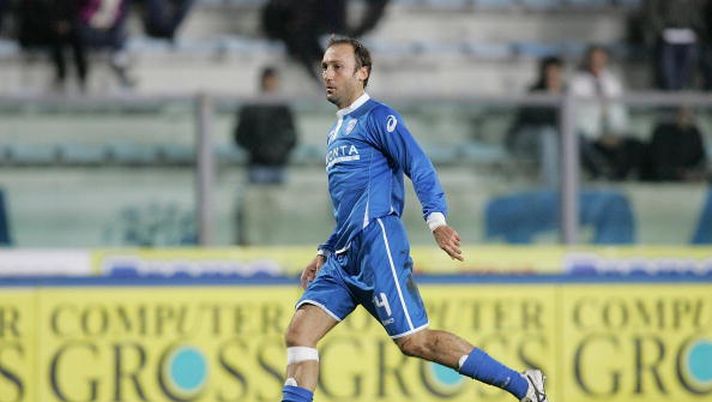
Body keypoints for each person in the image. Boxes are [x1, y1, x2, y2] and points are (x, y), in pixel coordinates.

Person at [279, 36, 548, 402]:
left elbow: (418, 166)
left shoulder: (379, 118)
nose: (327, 74)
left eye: (337, 67)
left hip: (378, 245)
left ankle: (523, 385)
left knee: (414, 341)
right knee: (299, 334)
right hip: (343, 254)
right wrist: (324, 251)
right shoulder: (336, 131)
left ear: (362, 73)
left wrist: (436, 221)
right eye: (325, 66)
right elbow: (350, 203)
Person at [569, 45, 643, 180]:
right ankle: (599, 174)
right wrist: (598, 132)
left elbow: (620, 110)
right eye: (594, 59)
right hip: (588, 132)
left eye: (600, 59)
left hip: (613, 131)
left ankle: (619, 178)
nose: (597, 62)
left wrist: (617, 132)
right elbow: (577, 115)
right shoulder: (576, 83)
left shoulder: (613, 82)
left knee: (636, 145)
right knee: (577, 142)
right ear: (588, 60)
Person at [506, 56, 565, 185]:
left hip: (553, 138)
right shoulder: (534, 91)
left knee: (573, 138)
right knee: (547, 135)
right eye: (549, 72)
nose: (552, 76)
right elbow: (536, 120)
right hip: (525, 138)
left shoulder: (566, 93)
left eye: (556, 72)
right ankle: (550, 185)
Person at [234, 66, 297, 184]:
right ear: (262, 81)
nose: (271, 83)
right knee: (256, 200)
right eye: (268, 80)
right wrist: (256, 150)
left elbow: (292, 135)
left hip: (279, 165)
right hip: (257, 165)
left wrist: (282, 152)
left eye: (273, 80)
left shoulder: (283, 108)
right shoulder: (251, 107)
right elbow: (240, 136)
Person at [643, 107, 707, 181]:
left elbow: (700, 160)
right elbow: (657, 163)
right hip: (662, 180)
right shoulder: (662, 132)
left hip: (688, 180)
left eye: (689, 112)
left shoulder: (694, 133)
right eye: (682, 112)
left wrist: (694, 173)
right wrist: (677, 173)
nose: (686, 116)